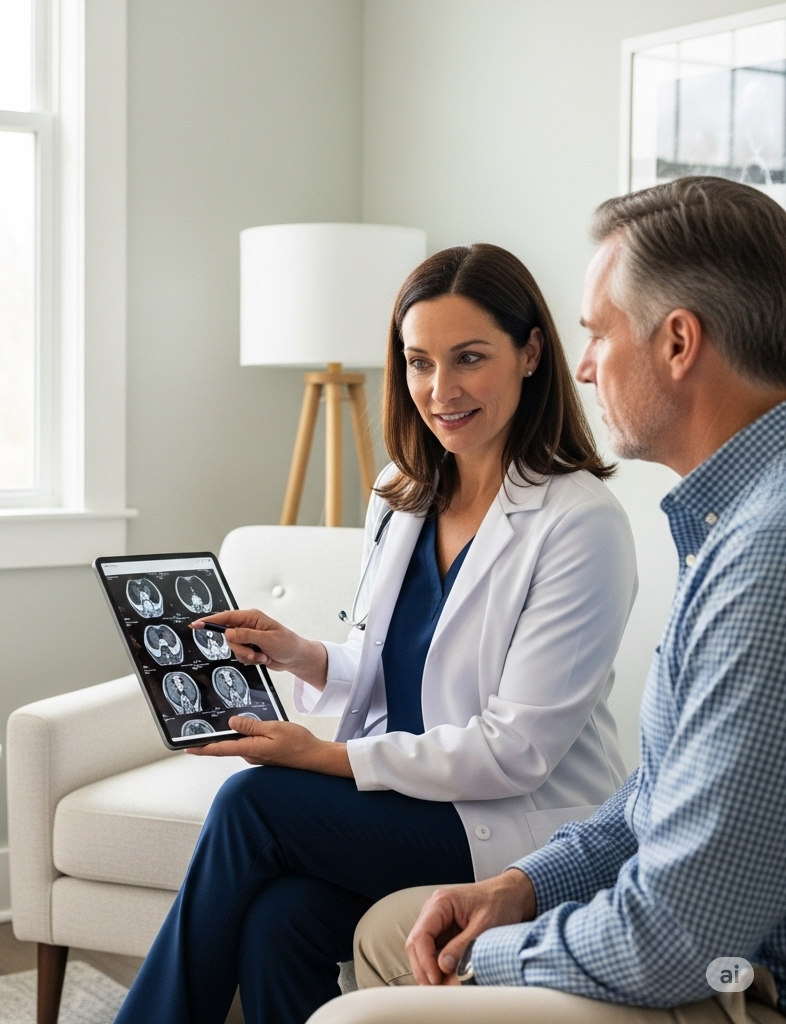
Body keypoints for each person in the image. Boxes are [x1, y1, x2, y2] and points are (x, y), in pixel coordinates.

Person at [111, 244, 638, 1024]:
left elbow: (515, 749)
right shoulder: (400, 495)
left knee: (254, 801)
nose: (440, 390)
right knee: (277, 918)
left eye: (469, 359)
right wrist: (303, 654)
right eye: (419, 362)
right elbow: (399, 669)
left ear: (530, 354)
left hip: (509, 821)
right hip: (411, 802)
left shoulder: (580, 523)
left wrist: (319, 756)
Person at [329, 177, 786, 1024]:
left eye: (597, 334)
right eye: (420, 362)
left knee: (372, 930)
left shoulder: (763, 559)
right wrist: (523, 886)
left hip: (741, 977)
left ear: (678, 342)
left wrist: (492, 951)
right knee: (325, 911)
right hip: (674, 916)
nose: (584, 365)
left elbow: (678, 939)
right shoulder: (732, 522)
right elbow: (656, 794)